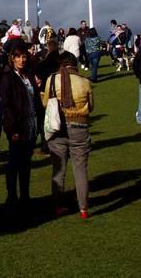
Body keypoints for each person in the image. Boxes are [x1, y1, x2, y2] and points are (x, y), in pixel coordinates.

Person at [43, 53, 94, 220]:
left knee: (59, 170)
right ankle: (83, 209)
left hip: (58, 128)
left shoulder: (52, 79)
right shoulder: (85, 82)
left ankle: (58, 206)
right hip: (79, 127)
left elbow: (45, 104)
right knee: (80, 170)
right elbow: (91, 106)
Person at [1, 47, 43, 211]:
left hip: (31, 124)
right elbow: (7, 105)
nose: (21, 60)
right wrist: (12, 130)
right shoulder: (7, 77)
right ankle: (11, 196)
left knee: (26, 163)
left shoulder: (29, 74)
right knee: (14, 164)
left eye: (24, 57)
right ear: (12, 58)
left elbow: (34, 99)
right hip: (17, 126)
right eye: (18, 57)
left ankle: (25, 195)